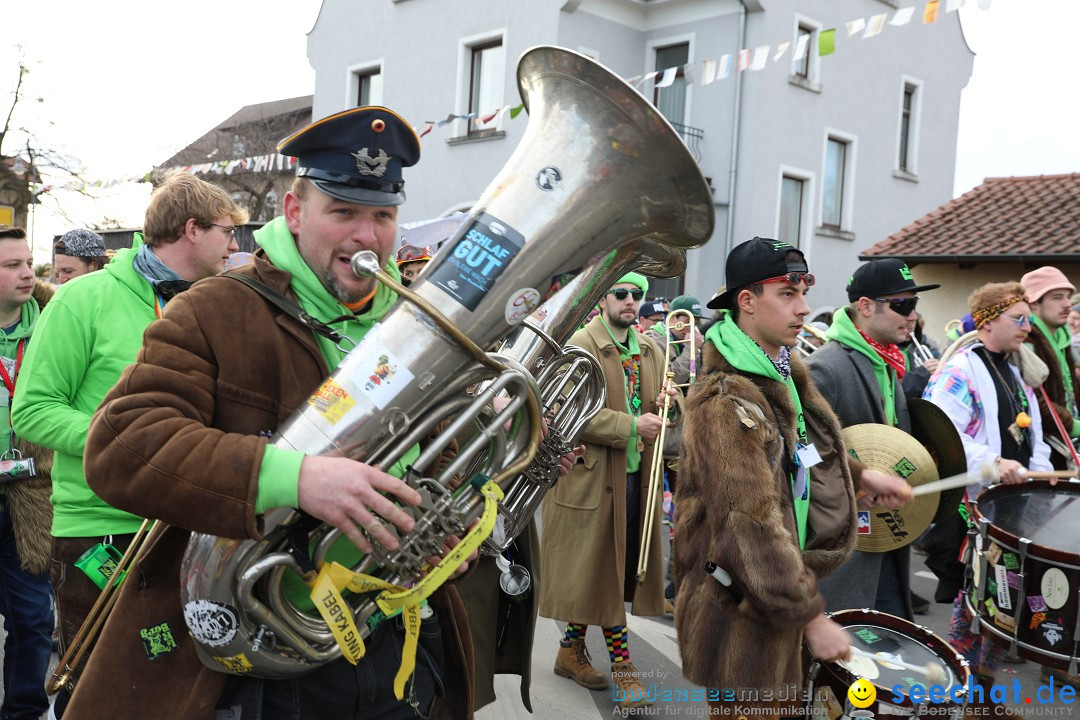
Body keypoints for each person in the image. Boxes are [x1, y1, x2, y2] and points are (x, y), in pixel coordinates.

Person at [74, 107, 476, 720]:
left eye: (382, 216)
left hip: (395, 643)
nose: (366, 237)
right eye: (343, 213)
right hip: (260, 653)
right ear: (295, 212)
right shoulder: (215, 310)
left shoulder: (415, 327)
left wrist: (451, 523)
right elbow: (121, 443)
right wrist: (294, 478)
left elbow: (444, 452)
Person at [12, 174, 248, 716]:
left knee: (177, 690)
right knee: (98, 692)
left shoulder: (216, 303)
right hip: (101, 529)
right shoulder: (81, 299)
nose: (236, 246)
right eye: (227, 232)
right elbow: (33, 409)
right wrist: (127, 444)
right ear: (192, 230)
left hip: (188, 529)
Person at [673, 237, 911, 713]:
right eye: (787, 294)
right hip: (740, 617)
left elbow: (800, 452)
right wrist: (810, 616)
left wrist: (860, 477)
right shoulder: (725, 400)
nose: (804, 308)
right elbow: (751, 524)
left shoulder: (778, 372)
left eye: (804, 291)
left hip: (774, 601)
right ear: (747, 301)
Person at [539, 272, 673, 710]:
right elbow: (566, 413)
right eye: (622, 293)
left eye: (638, 295)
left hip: (634, 477)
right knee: (608, 574)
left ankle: (569, 652)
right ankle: (624, 668)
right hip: (591, 478)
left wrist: (674, 400)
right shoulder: (580, 344)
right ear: (602, 299)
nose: (631, 301)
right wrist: (632, 426)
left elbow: (657, 408)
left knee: (605, 572)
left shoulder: (649, 347)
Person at [924, 281, 1053, 690]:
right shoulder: (961, 370)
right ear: (987, 321)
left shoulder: (1015, 369)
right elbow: (941, 433)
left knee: (1004, 603)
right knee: (975, 603)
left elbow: (1031, 437)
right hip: (976, 508)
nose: (1027, 327)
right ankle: (958, 690)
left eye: (1028, 320)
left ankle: (982, 690)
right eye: (1019, 319)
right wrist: (993, 463)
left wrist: (1040, 471)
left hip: (1013, 507)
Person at [806, 258, 940, 620]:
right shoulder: (826, 367)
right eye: (902, 305)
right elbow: (804, 451)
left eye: (914, 305)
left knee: (887, 653)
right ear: (865, 306)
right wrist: (860, 480)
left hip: (886, 539)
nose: (912, 316)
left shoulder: (888, 362)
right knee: (848, 664)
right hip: (845, 547)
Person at [0, 225, 55, 720]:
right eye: (10, 265)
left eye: (27, 262)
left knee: (35, 618)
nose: (26, 273)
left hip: (31, 493)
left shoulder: (55, 322)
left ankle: (23, 711)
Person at [1020, 266, 1080, 464]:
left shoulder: (1062, 338)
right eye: (1057, 297)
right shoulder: (1026, 341)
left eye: (1068, 297)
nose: (1067, 305)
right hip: (1044, 451)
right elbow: (1031, 399)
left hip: (1068, 443)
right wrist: (1073, 425)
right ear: (1034, 304)